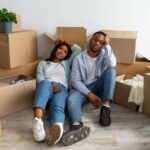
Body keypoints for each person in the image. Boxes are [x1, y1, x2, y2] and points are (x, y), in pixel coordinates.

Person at [62, 31, 116, 146]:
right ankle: (76, 126)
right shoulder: (78, 58)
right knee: (71, 99)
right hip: (83, 88)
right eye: (95, 39)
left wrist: (107, 45)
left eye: (101, 42)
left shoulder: (104, 54)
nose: (97, 43)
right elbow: (75, 81)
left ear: (102, 45)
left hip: (99, 85)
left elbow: (111, 64)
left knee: (111, 71)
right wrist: (89, 94)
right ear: (90, 39)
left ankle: (105, 109)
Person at [32, 40, 81, 146]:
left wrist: (66, 42)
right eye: (60, 49)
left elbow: (78, 50)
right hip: (46, 89)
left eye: (65, 51)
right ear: (55, 49)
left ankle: (58, 128)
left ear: (66, 55)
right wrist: (52, 84)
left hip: (62, 89)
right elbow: (39, 79)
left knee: (58, 105)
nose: (62, 52)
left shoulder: (67, 63)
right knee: (44, 83)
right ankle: (37, 122)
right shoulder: (43, 63)